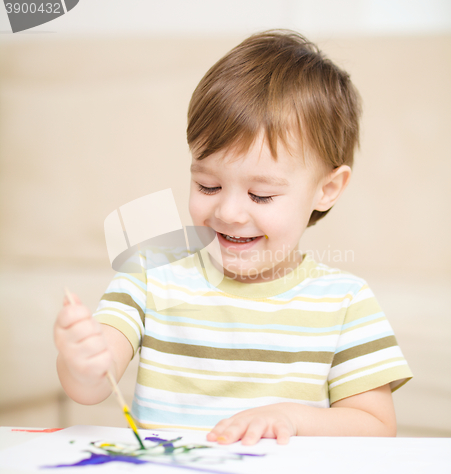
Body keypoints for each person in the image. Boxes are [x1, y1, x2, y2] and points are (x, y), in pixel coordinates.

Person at [54, 30, 412, 445]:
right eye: (207, 186)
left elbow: (376, 427)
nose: (228, 212)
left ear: (326, 189)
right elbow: (90, 388)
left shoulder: (346, 303)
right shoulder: (151, 276)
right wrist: (82, 361)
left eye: (261, 194)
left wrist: (290, 417)